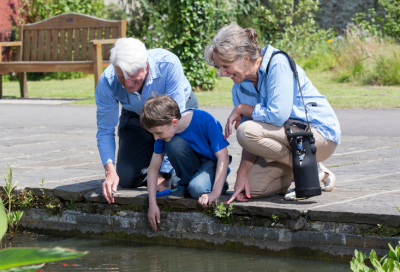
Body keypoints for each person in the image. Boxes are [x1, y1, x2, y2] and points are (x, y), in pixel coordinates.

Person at [204, 24, 341, 201]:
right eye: (219, 67)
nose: (222, 73)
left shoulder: (277, 63)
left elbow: (277, 116)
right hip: (286, 141)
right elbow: (253, 138)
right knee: (252, 189)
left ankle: (310, 171)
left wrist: (243, 109)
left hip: (317, 136)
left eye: (226, 66)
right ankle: (308, 170)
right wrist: (242, 173)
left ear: (245, 58)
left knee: (245, 131)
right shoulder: (239, 85)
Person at [95, 38, 198, 204]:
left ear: (146, 64)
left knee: (181, 177)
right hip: (137, 114)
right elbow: (105, 130)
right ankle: (154, 158)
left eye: (133, 76)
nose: (128, 84)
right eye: (122, 77)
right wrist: (110, 172)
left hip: (176, 114)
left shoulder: (169, 64)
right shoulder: (108, 80)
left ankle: (174, 165)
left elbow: (174, 121)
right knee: (127, 178)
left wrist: (164, 173)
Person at [140, 95, 230, 231]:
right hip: (191, 168)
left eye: (158, 133)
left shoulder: (204, 120)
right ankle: (185, 184)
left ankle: (216, 185)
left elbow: (223, 158)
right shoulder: (164, 134)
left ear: (174, 122)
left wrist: (215, 193)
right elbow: (153, 169)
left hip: (211, 165)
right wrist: (152, 204)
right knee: (173, 144)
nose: (156, 137)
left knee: (197, 189)